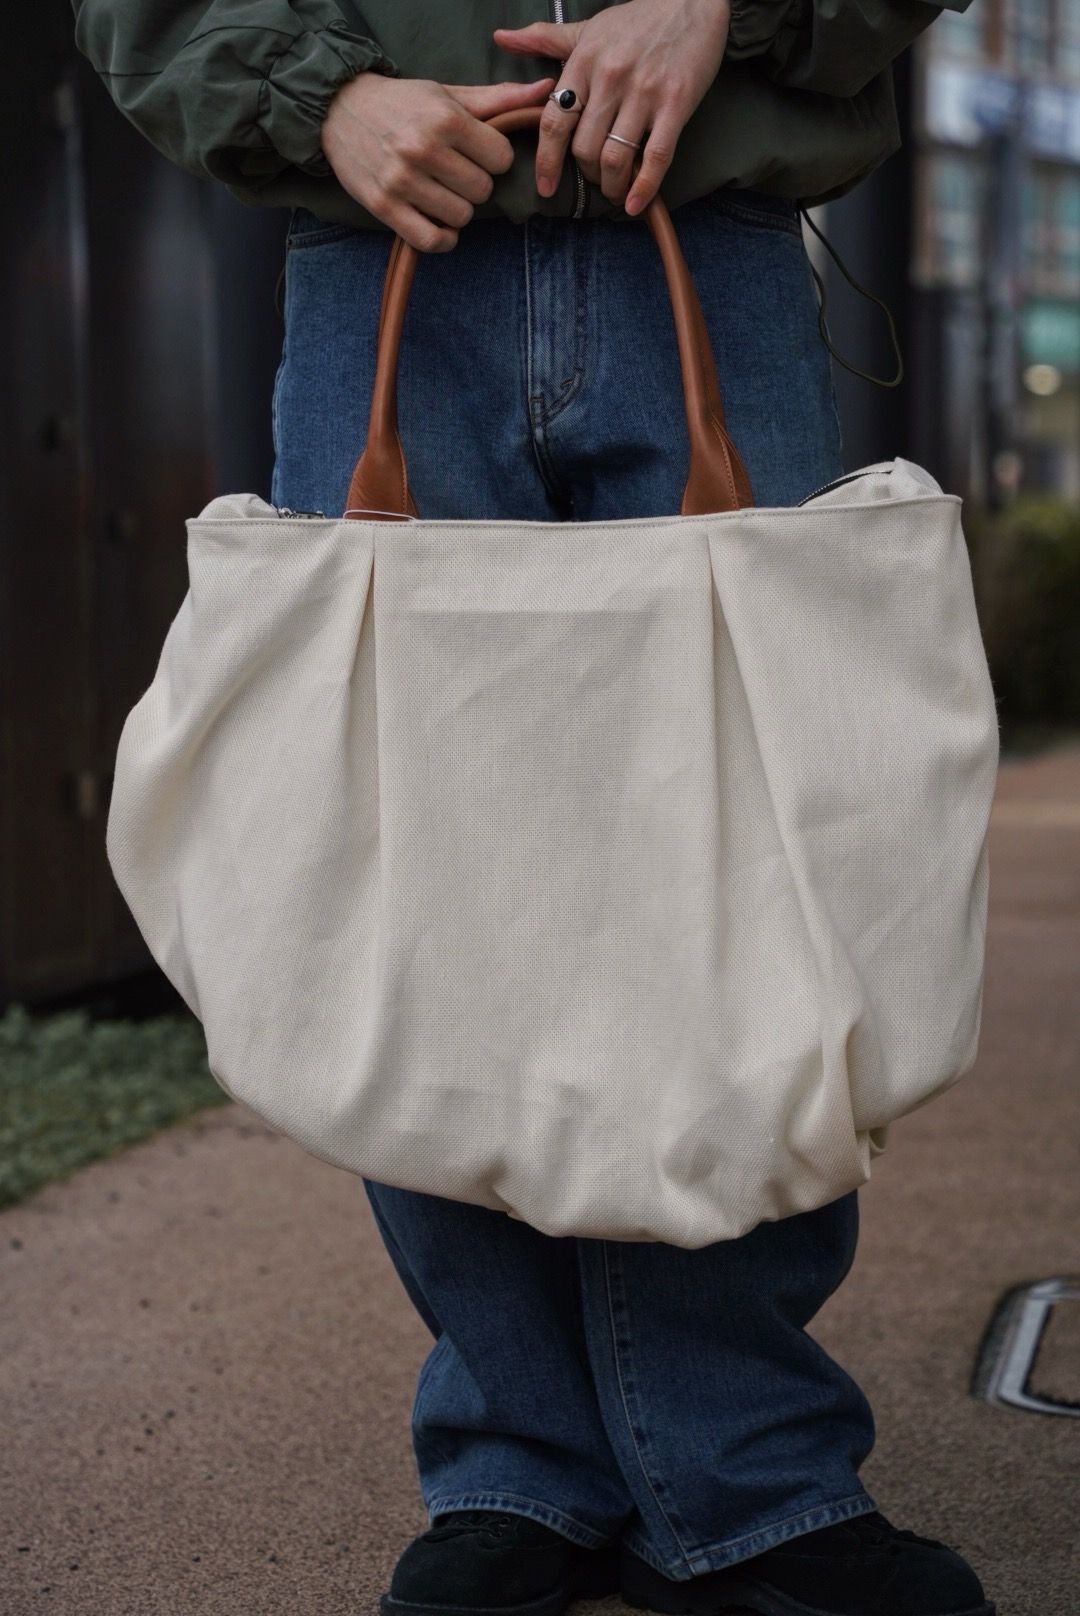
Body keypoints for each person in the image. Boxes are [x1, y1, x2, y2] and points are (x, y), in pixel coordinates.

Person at [73, 4, 995, 1615]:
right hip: (376, 244)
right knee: (424, 879)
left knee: (751, 882)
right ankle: (520, 1463)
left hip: (709, 240)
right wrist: (322, 98)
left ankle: (752, 1473)